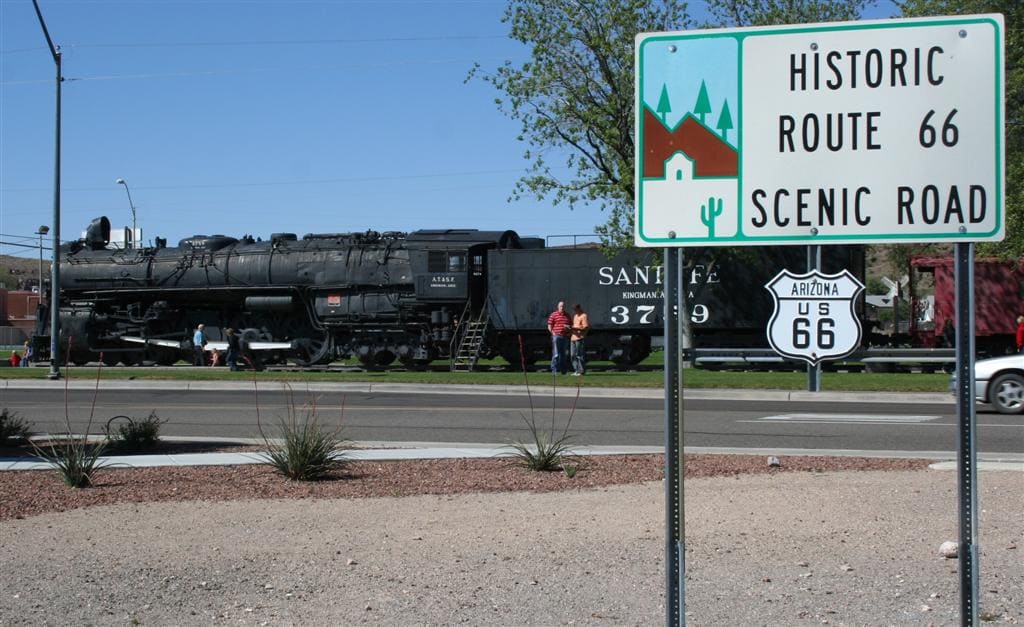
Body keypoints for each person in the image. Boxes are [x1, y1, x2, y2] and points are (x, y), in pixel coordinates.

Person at [546, 301, 572, 374]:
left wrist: (568, 329)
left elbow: (571, 325)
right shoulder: (554, 314)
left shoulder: (567, 315)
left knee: (564, 354)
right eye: (561, 306)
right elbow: (549, 325)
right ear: (558, 307)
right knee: (556, 353)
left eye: (563, 306)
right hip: (556, 336)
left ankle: (563, 370)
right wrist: (553, 333)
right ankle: (554, 369)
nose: (562, 307)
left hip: (565, 337)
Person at [570, 303, 589, 376]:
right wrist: (570, 328)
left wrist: (575, 328)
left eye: (576, 309)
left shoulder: (584, 316)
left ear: (579, 308)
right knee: (572, 355)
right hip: (573, 337)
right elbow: (575, 325)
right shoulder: (575, 316)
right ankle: (576, 370)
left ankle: (581, 371)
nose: (575, 311)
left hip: (579, 337)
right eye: (574, 310)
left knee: (579, 355)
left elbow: (585, 327)